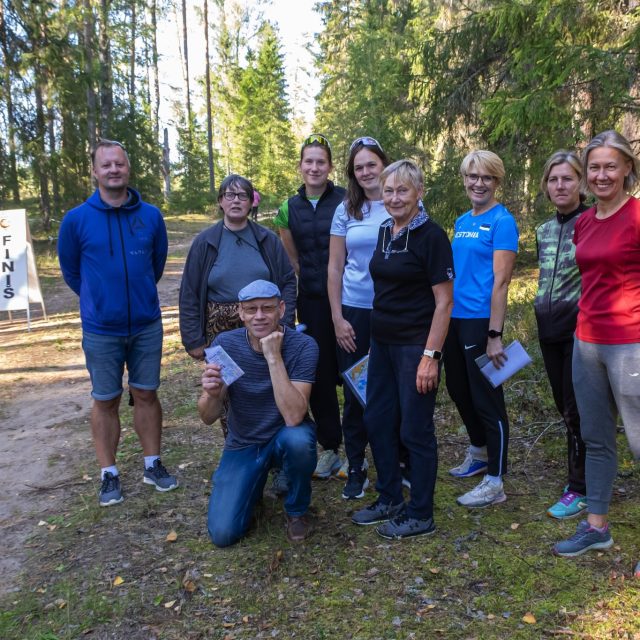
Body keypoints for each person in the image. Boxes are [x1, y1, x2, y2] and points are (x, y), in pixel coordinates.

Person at [57, 139, 177, 507]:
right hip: (101, 329)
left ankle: (152, 463)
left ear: (128, 169)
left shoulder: (151, 217)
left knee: (146, 393)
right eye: (106, 165)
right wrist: (101, 302)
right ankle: (109, 473)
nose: (113, 170)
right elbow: (72, 271)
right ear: (94, 171)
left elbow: (155, 266)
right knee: (105, 399)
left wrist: (135, 298)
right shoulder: (76, 220)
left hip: (145, 324)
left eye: (119, 164)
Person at [351, 159, 454, 539]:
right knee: (378, 421)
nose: (394, 198)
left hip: (416, 347)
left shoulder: (432, 237)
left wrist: (431, 357)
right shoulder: (384, 231)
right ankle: (390, 497)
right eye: (389, 190)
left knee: (415, 430)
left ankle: (421, 512)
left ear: (419, 192)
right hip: (382, 344)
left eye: (403, 191)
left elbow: (444, 303)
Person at [553, 131, 640, 560]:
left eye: (610, 166)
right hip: (586, 342)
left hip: (631, 345)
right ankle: (597, 526)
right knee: (596, 437)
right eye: (595, 167)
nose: (601, 175)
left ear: (627, 168)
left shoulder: (638, 216)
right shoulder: (585, 221)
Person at [199, 280, 319, 546]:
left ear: (282, 309)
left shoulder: (303, 346)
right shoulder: (225, 344)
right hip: (244, 441)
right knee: (223, 534)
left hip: (284, 435)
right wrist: (212, 393)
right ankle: (250, 493)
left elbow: (294, 416)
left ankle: (296, 510)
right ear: (240, 313)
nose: (260, 316)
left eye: (267, 308)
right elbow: (207, 416)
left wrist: (273, 357)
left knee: (298, 440)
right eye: (251, 309)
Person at [444, 150, 519, 508]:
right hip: (454, 319)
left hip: (480, 323)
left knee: (487, 400)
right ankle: (478, 453)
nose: (478, 183)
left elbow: (501, 283)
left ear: (496, 181)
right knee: (459, 390)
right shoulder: (461, 220)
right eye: (472, 176)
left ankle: (496, 480)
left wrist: (495, 334)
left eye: (486, 177)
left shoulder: (503, 221)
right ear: (464, 179)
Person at [274, 134, 347, 479]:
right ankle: (331, 447)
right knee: (318, 375)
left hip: (351, 302)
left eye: (321, 161)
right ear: (301, 166)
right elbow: (293, 262)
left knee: (354, 370)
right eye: (309, 161)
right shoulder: (288, 209)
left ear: (330, 167)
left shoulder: (348, 201)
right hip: (313, 303)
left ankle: (362, 445)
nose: (315, 167)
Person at [327, 136, 391, 499]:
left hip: (393, 313)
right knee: (355, 390)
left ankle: (394, 462)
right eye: (359, 166)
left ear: (384, 164)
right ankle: (356, 465)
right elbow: (334, 267)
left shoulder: (404, 200)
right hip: (354, 312)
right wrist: (337, 318)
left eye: (372, 164)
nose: (367, 172)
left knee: (391, 389)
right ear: (352, 173)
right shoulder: (345, 209)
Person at [179, 174, 296, 363]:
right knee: (224, 387)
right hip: (218, 331)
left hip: (263, 323)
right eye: (229, 195)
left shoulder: (268, 240)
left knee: (264, 381)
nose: (236, 200)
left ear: (251, 202)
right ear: (220, 201)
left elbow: (288, 281)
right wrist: (193, 339)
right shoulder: (204, 242)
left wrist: (284, 324)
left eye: (242, 196)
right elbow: (189, 292)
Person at [535, 151, 589, 519]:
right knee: (563, 408)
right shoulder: (544, 230)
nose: (560, 186)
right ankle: (584, 475)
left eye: (567, 178)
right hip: (547, 330)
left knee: (576, 409)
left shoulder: (592, 222)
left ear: (581, 182)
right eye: (553, 180)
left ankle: (580, 487)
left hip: (581, 330)